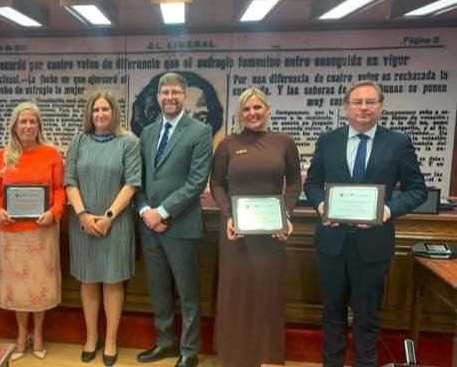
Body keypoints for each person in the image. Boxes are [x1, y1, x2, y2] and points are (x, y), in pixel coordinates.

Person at [304, 81, 427, 367]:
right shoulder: (328, 140)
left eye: (370, 102)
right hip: (331, 244)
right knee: (332, 315)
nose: (363, 107)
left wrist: (386, 210)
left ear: (381, 107)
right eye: (357, 102)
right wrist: (323, 206)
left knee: (367, 317)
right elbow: (312, 184)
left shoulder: (398, 142)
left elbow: (417, 189)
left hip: (373, 246)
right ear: (346, 107)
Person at [210, 87, 302, 367]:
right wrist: (228, 216)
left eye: (257, 108)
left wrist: (285, 214)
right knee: (235, 294)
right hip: (236, 232)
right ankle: (233, 355)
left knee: (266, 293)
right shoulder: (227, 144)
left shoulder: (284, 142)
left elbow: (295, 183)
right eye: (246, 109)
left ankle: (267, 355)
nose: (252, 113)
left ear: (268, 110)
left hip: (271, 232)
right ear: (240, 114)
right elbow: (216, 183)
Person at [134, 73, 213, 367]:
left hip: (181, 225)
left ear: (185, 96)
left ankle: (189, 351)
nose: (170, 97)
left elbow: (196, 182)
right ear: (157, 97)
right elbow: (137, 179)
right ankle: (165, 343)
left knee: (188, 291)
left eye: (176, 92)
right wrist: (145, 212)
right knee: (159, 289)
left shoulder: (200, 132)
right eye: (164, 92)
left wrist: (162, 212)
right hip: (149, 227)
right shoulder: (148, 132)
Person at [65, 91, 142, 367]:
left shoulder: (129, 142)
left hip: (116, 223)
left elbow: (132, 183)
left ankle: (110, 339)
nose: (100, 115)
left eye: (105, 109)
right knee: (88, 280)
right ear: (89, 113)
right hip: (82, 223)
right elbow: (69, 181)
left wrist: (108, 216)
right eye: (95, 110)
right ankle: (91, 336)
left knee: (112, 281)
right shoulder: (78, 141)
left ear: (114, 112)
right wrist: (83, 215)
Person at [0, 102, 65, 361]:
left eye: (32, 121)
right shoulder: (2, 155)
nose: (28, 126)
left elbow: (60, 191)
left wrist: (53, 212)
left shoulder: (51, 155)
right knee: (19, 289)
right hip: (12, 233)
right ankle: (21, 334)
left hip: (42, 232)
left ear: (39, 125)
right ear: (15, 126)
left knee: (38, 287)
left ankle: (39, 334)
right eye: (23, 122)